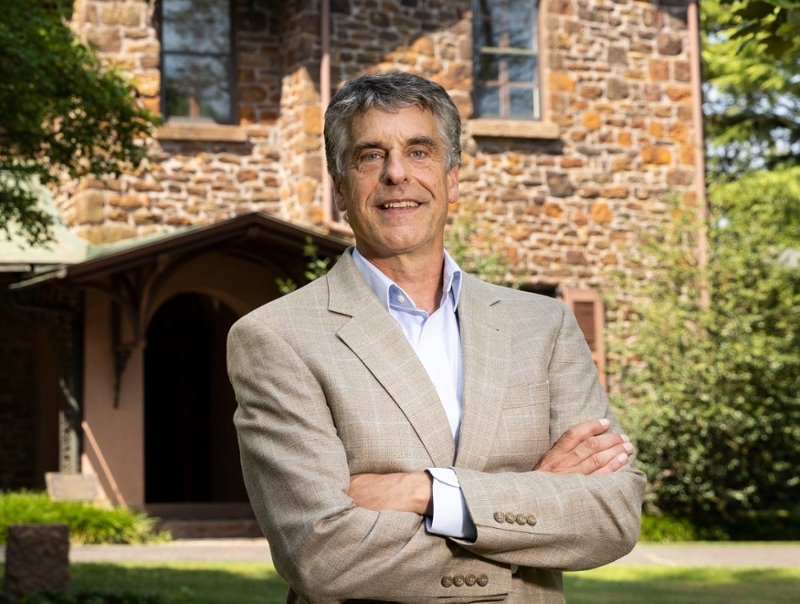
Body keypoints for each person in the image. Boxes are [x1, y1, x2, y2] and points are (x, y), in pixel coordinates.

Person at [228, 71, 645, 604]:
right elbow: (319, 553)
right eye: (370, 156)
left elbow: (611, 515)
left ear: (452, 179)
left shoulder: (544, 326)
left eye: (419, 151)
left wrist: (426, 492)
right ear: (339, 188)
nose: (396, 174)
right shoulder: (276, 338)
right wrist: (532, 510)